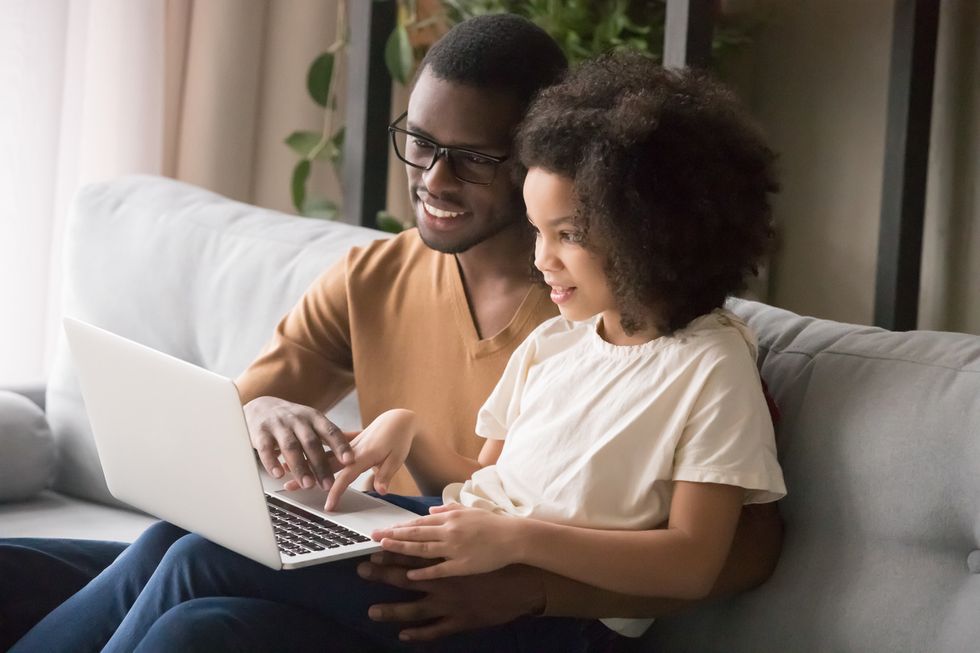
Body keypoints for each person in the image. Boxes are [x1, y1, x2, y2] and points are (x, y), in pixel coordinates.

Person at [1, 15, 784, 652]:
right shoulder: (414, 287)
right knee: (183, 606)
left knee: (192, 562)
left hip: (509, 595)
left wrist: (537, 582)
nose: (433, 180)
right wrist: (271, 414)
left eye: (471, 157)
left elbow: (729, 551)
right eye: (420, 142)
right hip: (427, 547)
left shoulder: (618, 323)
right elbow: (482, 472)